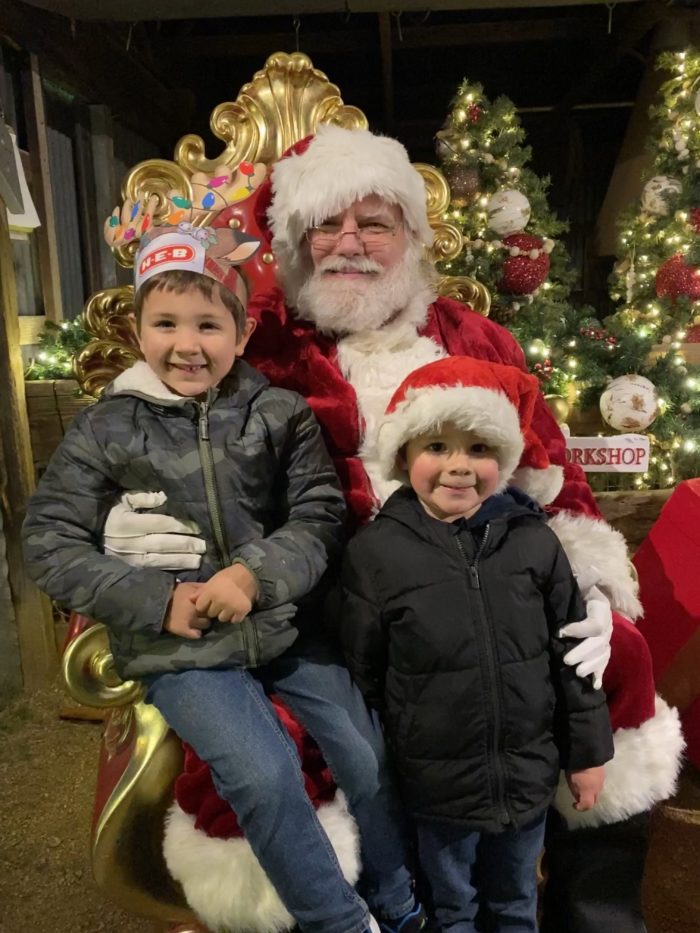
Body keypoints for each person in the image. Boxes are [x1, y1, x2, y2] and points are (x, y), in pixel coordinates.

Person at [101, 126, 683, 933]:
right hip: (328, 602)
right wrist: (133, 518)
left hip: (489, 573)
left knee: (616, 651)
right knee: (295, 730)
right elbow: (166, 395)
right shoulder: (254, 342)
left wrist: (586, 578)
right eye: (327, 225)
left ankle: (593, 912)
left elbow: (554, 471)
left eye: (373, 223)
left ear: (411, 236)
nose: (350, 243)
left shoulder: (477, 338)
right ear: (294, 241)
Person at [22, 217, 427, 933]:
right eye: (166, 322)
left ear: (239, 335)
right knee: (265, 773)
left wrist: (254, 575)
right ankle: (339, 921)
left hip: (280, 625)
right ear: (140, 329)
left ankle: (400, 903)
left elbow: (318, 514)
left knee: (364, 753)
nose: (187, 343)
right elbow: (50, 540)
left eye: (209, 324)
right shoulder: (105, 428)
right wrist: (156, 599)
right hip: (178, 649)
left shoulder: (278, 414)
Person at [340, 355, 615, 933]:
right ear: (405, 455)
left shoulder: (534, 541)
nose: (458, 467)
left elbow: (574, 659)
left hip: (527, 779)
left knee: (516, 902)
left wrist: (587, 754)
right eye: (437, 446)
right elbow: (362, 671)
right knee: (452, 908)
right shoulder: (376, 554)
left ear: (506, 460)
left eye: (479, 449)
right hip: (436, 788)